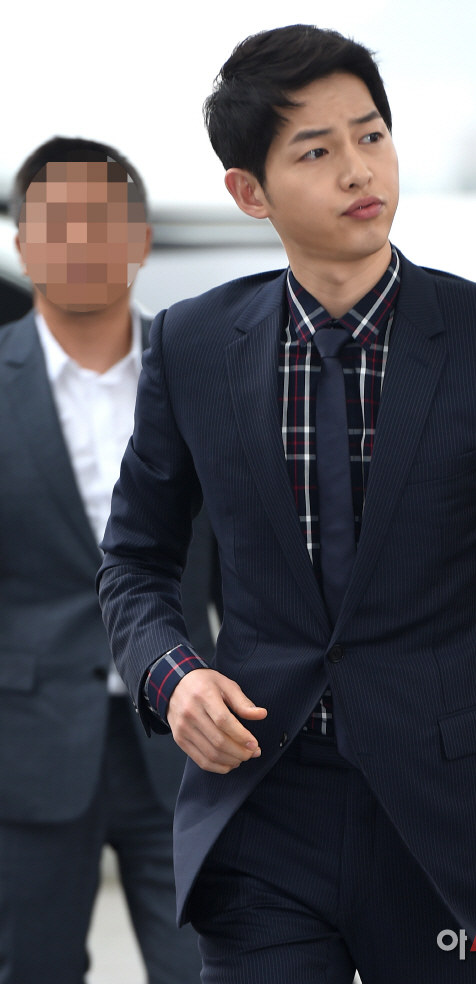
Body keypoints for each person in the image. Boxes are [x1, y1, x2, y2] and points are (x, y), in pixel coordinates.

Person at [98, 26, 476, 984]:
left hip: (456, 821)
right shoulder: (191, 347)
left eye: (371, 135)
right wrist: (174, 678)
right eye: (315, 151)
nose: (357, 169)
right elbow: (134, 560)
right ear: (249, 192)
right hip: (262, 809)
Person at [0, 136, 218, 984]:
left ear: (142, 239)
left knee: (208, 966)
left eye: (102, 220)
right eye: (55, 224)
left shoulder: (206, 375)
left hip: (189, 735)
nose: (80, 242)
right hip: (24, 745)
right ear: (22, 244)